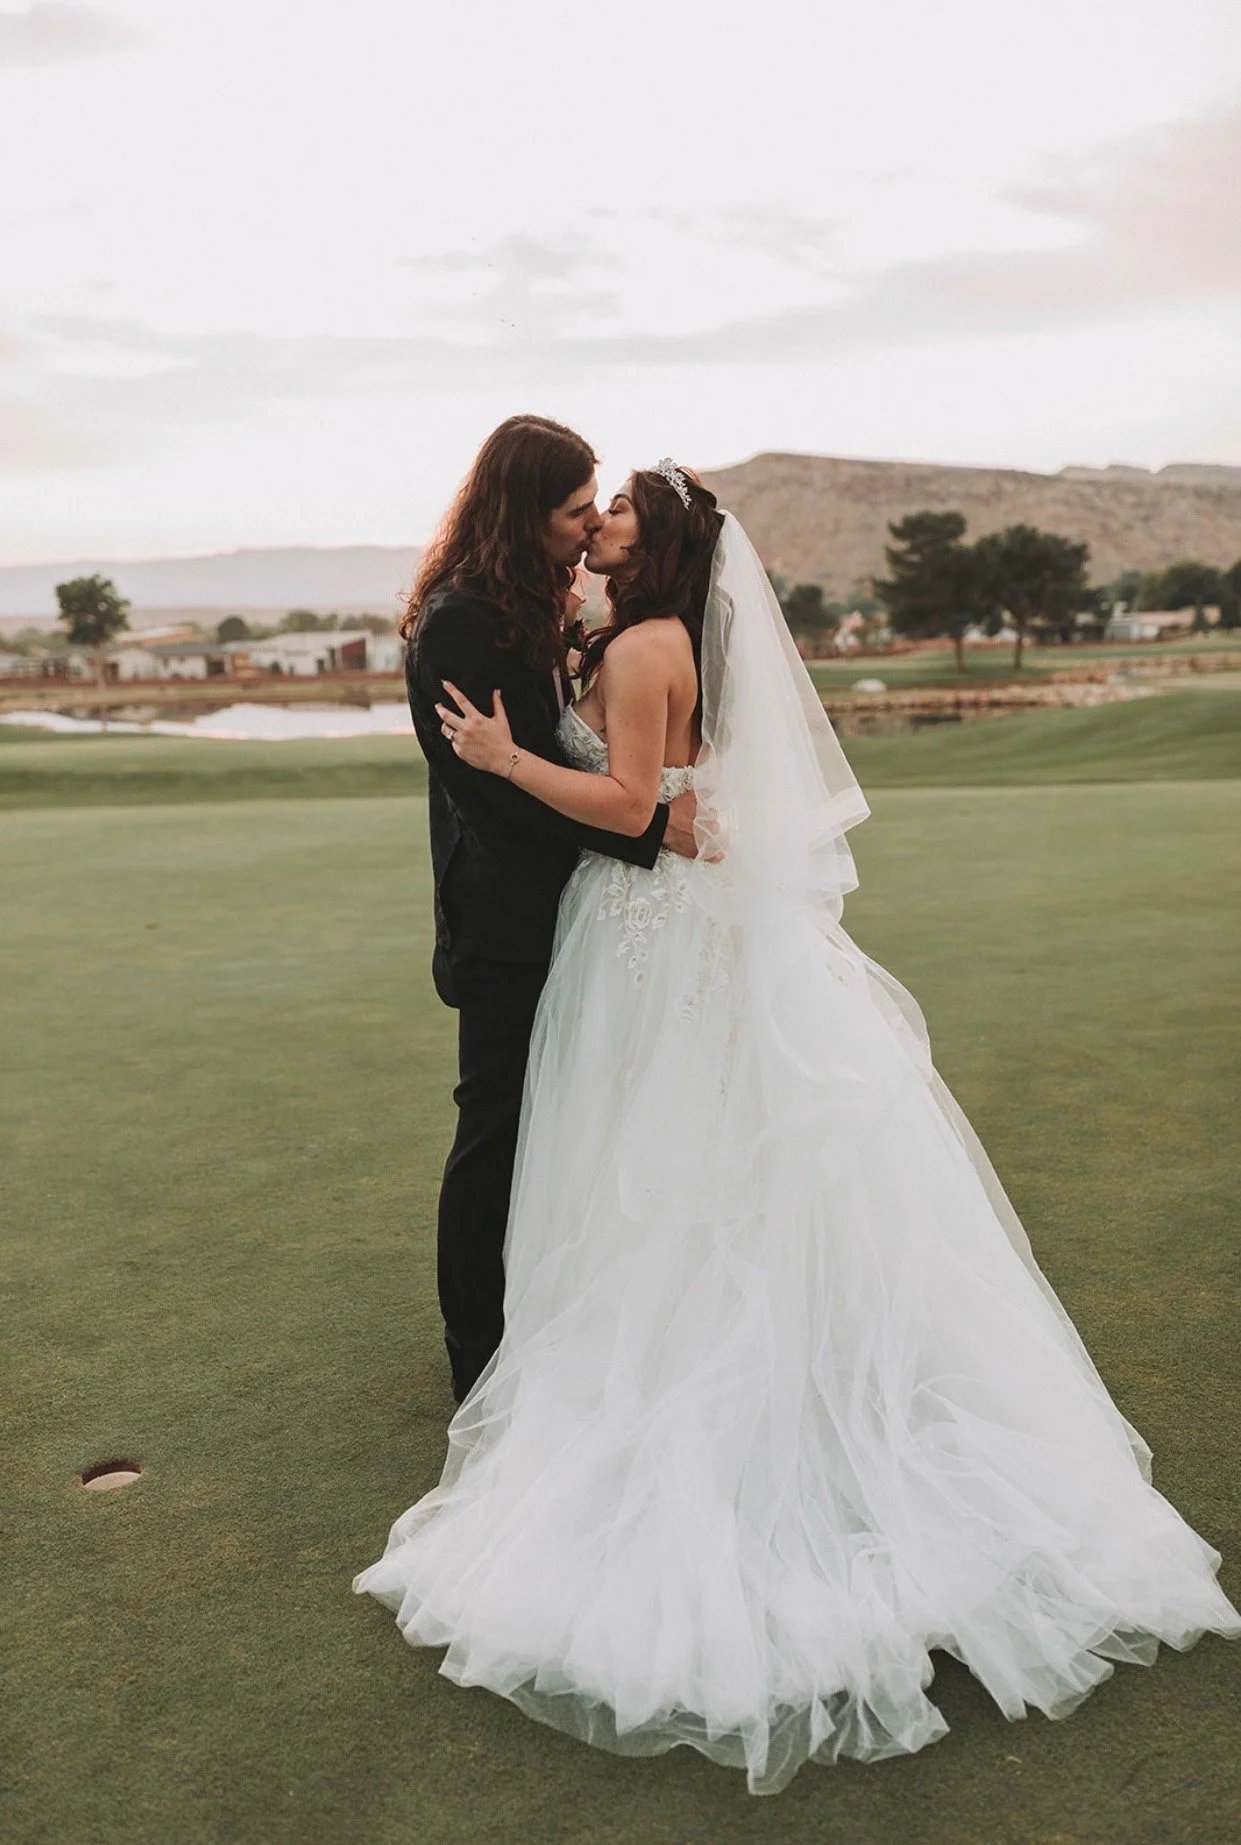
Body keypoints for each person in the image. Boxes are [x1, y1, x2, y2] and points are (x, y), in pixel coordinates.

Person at [357, 461, 1239, 1794]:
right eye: (587, 506)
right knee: (676, 1170)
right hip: (650, 935)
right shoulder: (637, 630)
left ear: (656, 549)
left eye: (619, 514)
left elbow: (634, 802)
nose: (597, 524)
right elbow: (679, 803)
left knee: (668, 1174)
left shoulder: (649, 644)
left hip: (649, 937)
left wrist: (505, 756)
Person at [400, 418, 699, 1403]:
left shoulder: (520, 605)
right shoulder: (457, 621)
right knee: (494, 1133)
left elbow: (550, 749)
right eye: (575, 511)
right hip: (506, 926)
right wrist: (649, 830)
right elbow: (490, 798)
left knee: (559, 1131)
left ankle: (553, 1320)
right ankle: (475, 1361)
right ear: (525, 512)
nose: (585, 528)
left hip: (573, 917)